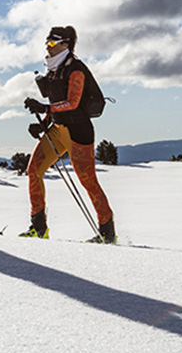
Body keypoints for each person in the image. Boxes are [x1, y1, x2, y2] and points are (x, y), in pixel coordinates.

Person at [21, 26, 116, 243]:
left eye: (53, 44)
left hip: (78, 131)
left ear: (66, 44)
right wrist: (44, 124)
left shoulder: (76, 69)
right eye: (47, 43)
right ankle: (38, 227)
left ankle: (107, 232)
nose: (48, 47)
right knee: (34, 171)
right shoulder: (55, 71)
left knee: (88, 181)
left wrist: (45, 109)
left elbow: (72, 103)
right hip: (58, 129)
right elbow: (57, 103)